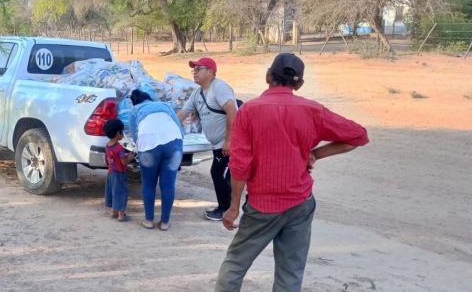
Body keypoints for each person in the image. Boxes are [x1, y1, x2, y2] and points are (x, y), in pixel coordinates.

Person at [215, 53, 369, 292]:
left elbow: (240, 165)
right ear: (298, 84)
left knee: (235, 264)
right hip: (299, 203)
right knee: (290, 273)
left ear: (268, 76)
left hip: (262, 206)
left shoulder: (249, 111)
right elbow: (358, 136)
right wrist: (316, 154)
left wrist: (234, 206)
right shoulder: (312, 110)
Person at [177, 57, 238, 221]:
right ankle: (231, 206)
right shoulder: (198, 93)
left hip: (229, 143)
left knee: (218, 173)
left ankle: (225, 210)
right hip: (218, 143)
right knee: (224, 175)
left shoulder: (220, 88)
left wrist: (229, 141)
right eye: (194, 70)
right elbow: (182, 114)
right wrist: (168, 127)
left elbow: (233, 112)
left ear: (211, 72)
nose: (195, 72)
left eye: (199, 69)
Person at [129, 90, 183, 231]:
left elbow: (135, 134)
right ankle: (165, 222)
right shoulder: (165, 106)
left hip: (148, 145)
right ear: (149, 99)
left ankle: (149, 220)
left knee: (148, 184)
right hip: (174, 144)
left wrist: (139, 148)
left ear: (134, 102)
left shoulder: (134, 110)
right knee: (168, 185)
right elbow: (179, 127)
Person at [103, 119, 136, 222]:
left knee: (113, 191)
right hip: (119, 174)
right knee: (121, 192)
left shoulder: (108, 146)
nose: (123, 134)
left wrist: (124, 156)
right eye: (122, 131)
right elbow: (123, 162)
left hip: (111, 173)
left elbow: (109, 159)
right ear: (118, 133)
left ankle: (114, 212)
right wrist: (131, 156)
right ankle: (121, 215)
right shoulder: (119, 147)